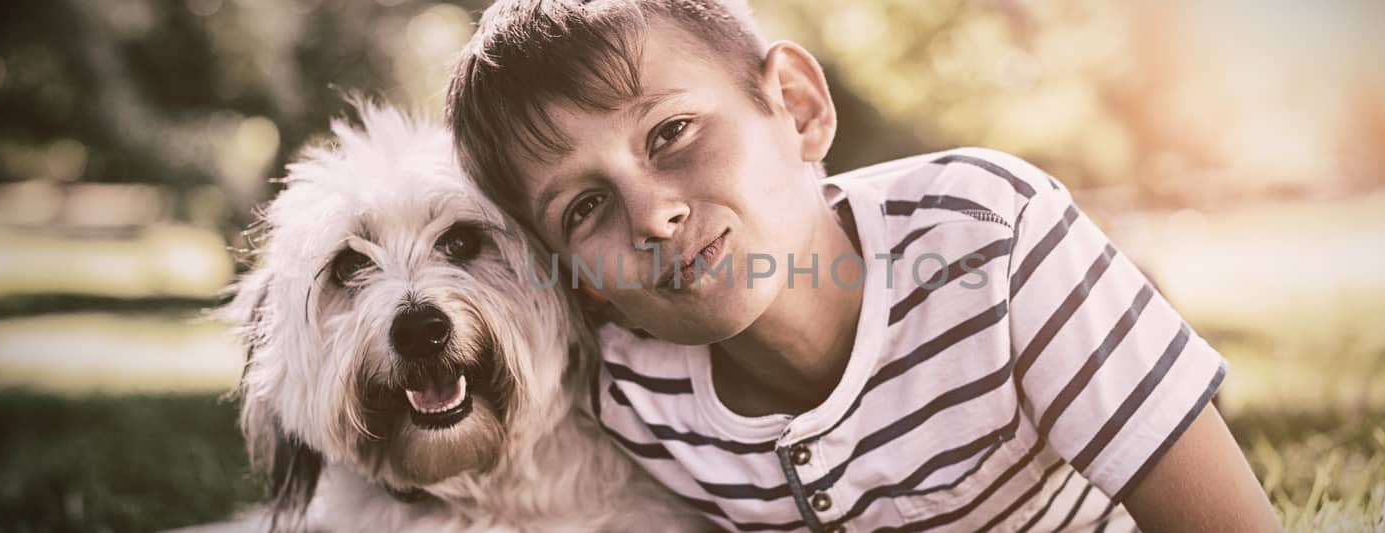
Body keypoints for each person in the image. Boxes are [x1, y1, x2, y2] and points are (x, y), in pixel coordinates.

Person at [447, 1, 1280, 530]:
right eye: (583, 207)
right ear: (577, 275)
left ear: (798, 109)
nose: (654, 215)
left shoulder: (987, 238)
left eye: (671, 133)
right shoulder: (626, 388)